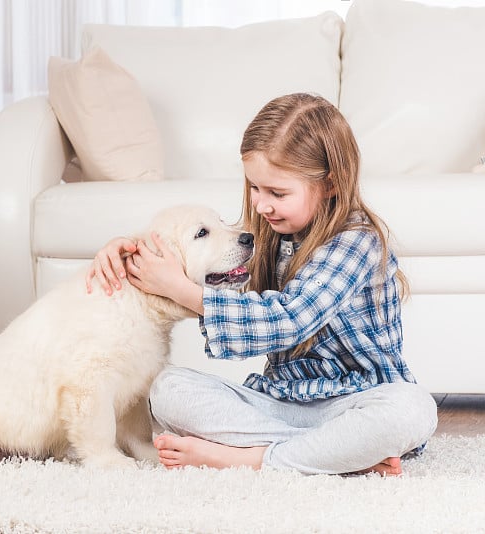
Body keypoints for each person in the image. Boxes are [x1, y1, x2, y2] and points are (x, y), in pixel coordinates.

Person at [86, 93, 437, 476]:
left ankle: (250, 458)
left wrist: (182, 291)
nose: (260, 205)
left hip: (357, 402)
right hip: (282, 402)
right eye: (255, 188)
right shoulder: (268, 235)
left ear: (331, 184)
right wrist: (131, 250)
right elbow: (207, 277)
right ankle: (337, 458)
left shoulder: (357, 242)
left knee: (414, 408)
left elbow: (287, 320)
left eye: (277, 193)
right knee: (167, 389)